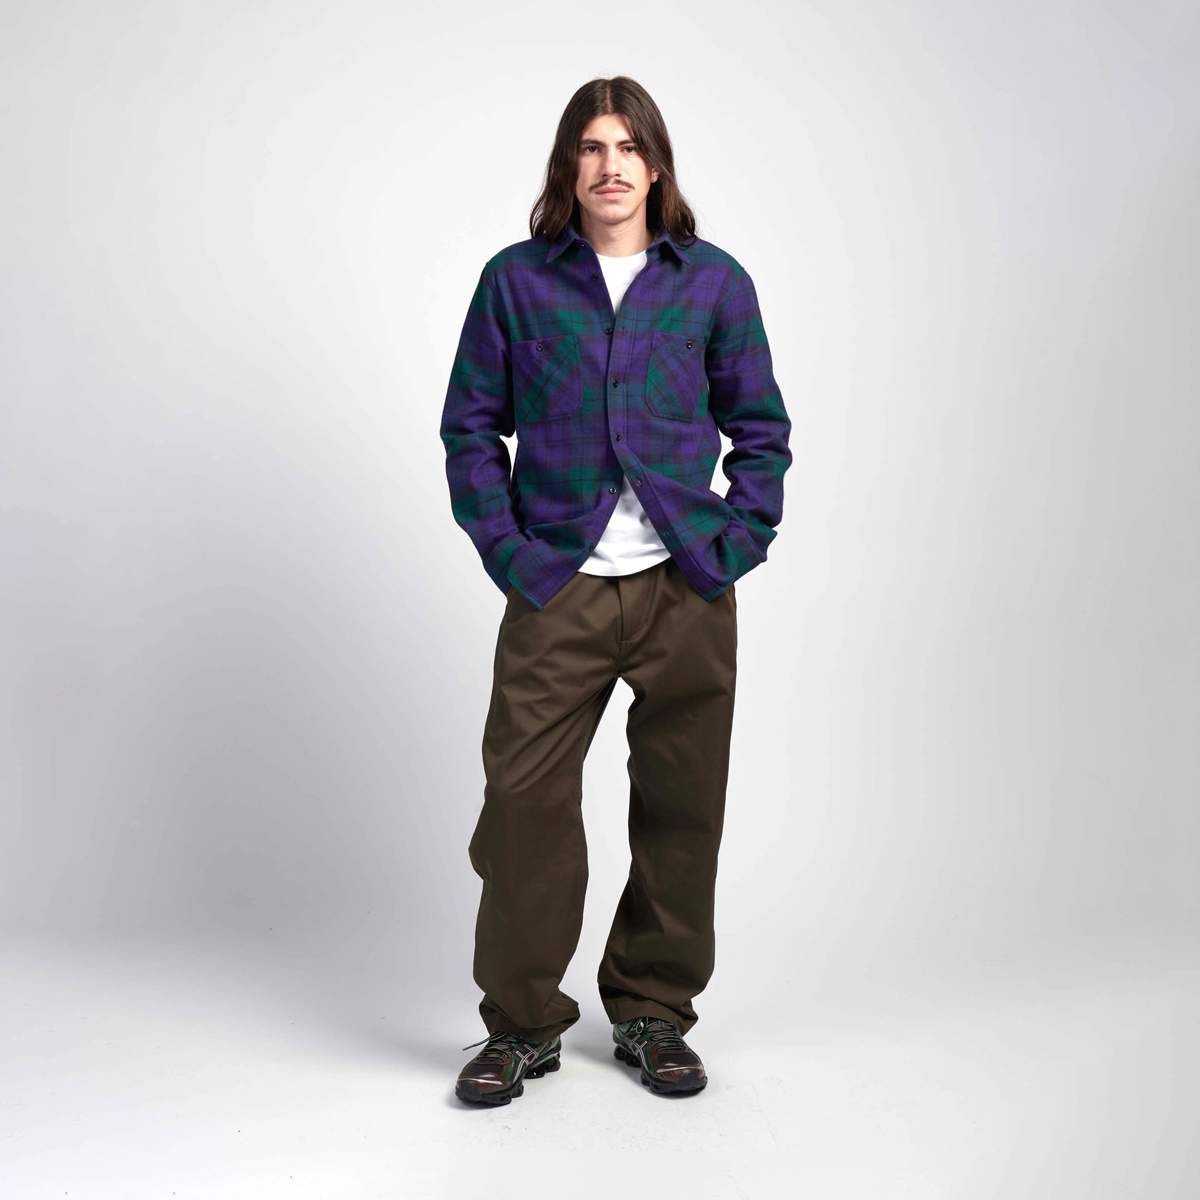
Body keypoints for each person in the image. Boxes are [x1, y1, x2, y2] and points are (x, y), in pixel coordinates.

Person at [440, 75, 792, 1105]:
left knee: (683, 809)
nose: (611, 166)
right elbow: (470, 427)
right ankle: (521, 1026)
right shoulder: (515, 283)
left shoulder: (713, 283)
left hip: (686, 584)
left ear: (656, 164)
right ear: (569, 165)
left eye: (629, 147)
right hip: (560, 583)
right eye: (592, 147)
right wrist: (510, 553)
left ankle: (652, 1012)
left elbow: (761, 428)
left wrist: (736, 541)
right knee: (523, 805)